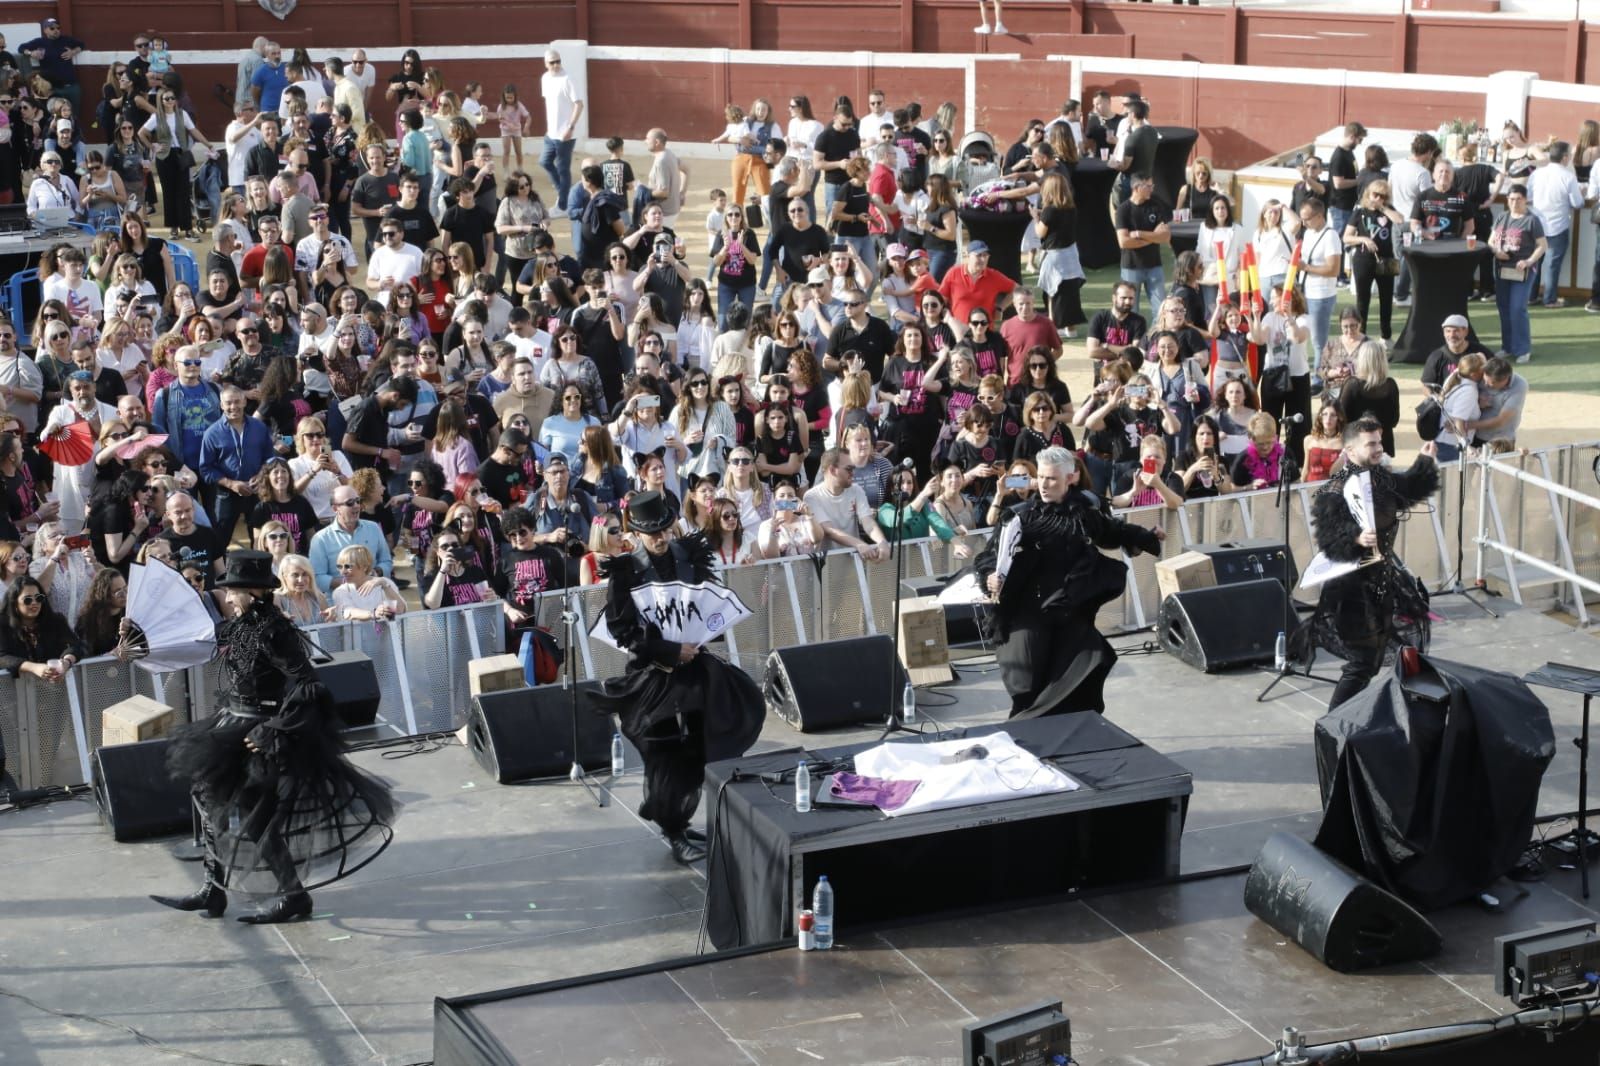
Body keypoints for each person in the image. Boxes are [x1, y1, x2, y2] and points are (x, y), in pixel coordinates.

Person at [151, 550, 396, 924]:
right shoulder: (241, 624)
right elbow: (197, 639)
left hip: (258, 731)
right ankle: (214, 889)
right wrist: (139, 640)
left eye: (232, 590)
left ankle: (293, 897)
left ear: (252, 591)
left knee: (257, 818)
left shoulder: (275, 632)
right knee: (210, 795)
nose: (227, 597)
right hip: (232, 722)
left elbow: (309, 684)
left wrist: (273, 728)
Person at [588, 490, 764, 865]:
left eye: (664, 529)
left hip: (693, 669)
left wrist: (697, 638)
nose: (659, 537)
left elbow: (703, 604)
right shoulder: (626, 572)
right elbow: (624, 633)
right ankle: (673, 827)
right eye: (651, 532)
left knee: (709, 733)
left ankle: (681, 820)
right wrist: (669, 650)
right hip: (654, 676)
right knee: (665, 754)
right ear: (636, 534)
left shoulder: (687, 555)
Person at [974, 447, 1163, 718]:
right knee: (1025, 678)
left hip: (1067, 606)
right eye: (1041, 477)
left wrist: (1147, 536)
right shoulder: (1020, 516)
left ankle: (1067, 725)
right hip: (1026, 608)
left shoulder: (1083, 512)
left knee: (1083, 664)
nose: (1044, 485)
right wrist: (990, 576)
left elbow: (1113, 532)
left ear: (1070, 478)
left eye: (1052, 478)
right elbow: (989, 556)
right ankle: (1027, 724)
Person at [1306, 421, 1439, 709]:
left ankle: (1355, 718)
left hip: (1382, 583)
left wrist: (1424, 462)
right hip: (1351, 591)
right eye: (1371, 444)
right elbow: (1328, 539)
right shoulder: (1335, 490)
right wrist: (1355, 537)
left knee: (1376, 658)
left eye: (1379, 442)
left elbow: (1408, 488)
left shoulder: (1381, 479)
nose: (1379, 448)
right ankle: (1333, 724)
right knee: (1363, 663)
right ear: (1350, 450)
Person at [1489, 183, 1546, 365]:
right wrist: (1496, 251)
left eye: (1518, 199)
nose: (1514, 203)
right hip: (1502, 269)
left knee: (1517, 308)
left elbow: (1542, 245)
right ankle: (1508, 346)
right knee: (1504, 307)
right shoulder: (1502, 217)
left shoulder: (1532, 220)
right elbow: (1491, 240)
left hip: (1523, 271)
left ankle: (1523, 349)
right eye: (1511, 199)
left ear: (1525, 200)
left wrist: (1529, 261)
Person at [1528, 141, 1583, 308]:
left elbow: (1528, 197)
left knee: (1535, 262)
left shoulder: (1536, 174)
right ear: (1565, 157)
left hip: (1537, 224)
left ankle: (1530, 296)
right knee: (1552, 265)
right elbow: (1578, 203)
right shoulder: (1568, 176)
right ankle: (1549, 299)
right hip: (1557, 225)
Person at [1114, 175, 1170, 317]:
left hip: (1154, 266)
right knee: (1130, 310)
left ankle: (1157, 332)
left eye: (1152, 186)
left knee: (1161, 309)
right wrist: (1153, 237)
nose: (1152, 189)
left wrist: (1139, 234)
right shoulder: (1123, 210)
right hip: (1131, 267)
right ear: (1136, 188)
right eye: (1148, 186)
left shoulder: (1155, 205)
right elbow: (1124, 242)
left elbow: (1165, 236)